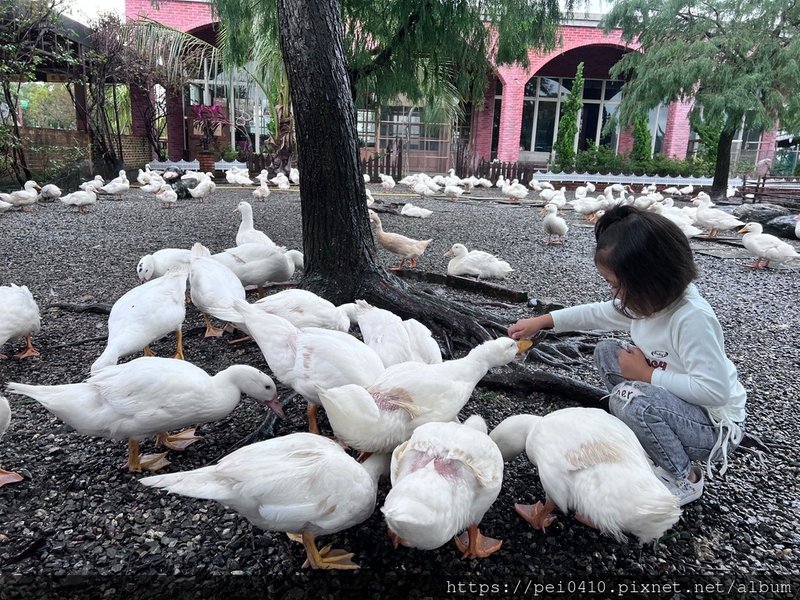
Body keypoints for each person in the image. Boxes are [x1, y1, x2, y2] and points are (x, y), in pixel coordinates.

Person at [508, 205, 746, 506]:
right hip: (675, 404)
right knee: (608, 352)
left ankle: (685, 478)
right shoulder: (648, 302)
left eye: (617, 285)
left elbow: (714, 390)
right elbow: (598, 313)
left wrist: (647, 376)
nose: (615, 295)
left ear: (652, 280)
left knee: (629, 396)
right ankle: (651, 442)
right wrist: (544, 321)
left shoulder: (691, 318)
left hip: (713, 425)